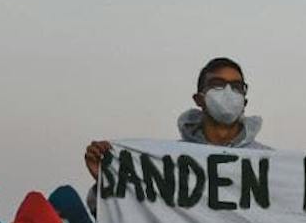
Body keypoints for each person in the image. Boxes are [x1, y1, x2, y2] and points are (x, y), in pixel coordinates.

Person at [83, 56, 268, 182]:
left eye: (236, 86)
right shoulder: (169, 163)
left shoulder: (269, 163)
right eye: (217, 85)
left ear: (245, 100)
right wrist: (108, 178)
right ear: (199, 99)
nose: (228, 92)